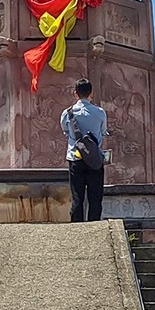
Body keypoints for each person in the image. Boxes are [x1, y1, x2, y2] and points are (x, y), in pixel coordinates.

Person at [61, 78, 107, 222]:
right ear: (91, 94)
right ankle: (94, 226)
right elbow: (104, 131)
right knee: (95, 197)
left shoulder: (67, 113)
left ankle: (77, 227)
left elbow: (66, 131)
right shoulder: (100, 112)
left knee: (77, 196)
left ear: (75, 94)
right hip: (94, 159)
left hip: (75, 157)